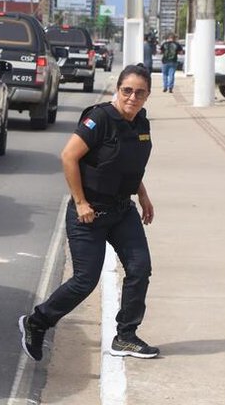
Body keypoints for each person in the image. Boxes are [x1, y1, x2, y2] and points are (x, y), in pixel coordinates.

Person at [19, 64, 158, 361]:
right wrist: (81, 202)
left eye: (140, 92)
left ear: (147, 95)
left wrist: (143, 195)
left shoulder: (140, 123)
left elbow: (128, 165)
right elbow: (68, 156)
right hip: (89, 213)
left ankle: (126, 336)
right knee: (85, 280)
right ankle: (37, 322)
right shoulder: (99, 118)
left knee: (140, 269)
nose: (132, 97)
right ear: (117, 90)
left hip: (122, 210)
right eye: (127, 90)